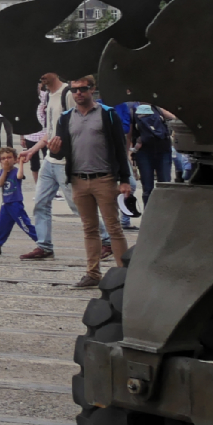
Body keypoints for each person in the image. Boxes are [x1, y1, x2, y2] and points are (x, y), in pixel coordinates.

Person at [53, 75, 131, 289]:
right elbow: (61, 154)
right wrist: (54, 151)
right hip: (79, 180)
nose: (78, 93)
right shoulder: (66, 117)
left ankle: (123, 275)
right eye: (74, 90)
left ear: (92, 90)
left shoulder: (107, 114)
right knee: (89, 228)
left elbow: (119, 148)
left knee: (114, 227)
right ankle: (92, 273)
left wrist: (124, 179)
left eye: (83, 89)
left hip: (104, 179)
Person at [16, 73, 72, 261]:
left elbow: (78, 125)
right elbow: (50, 132)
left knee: (78, 205)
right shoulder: (48, 96)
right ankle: (44, 246)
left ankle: (105, 240)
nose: (41, 78)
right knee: (40, 202)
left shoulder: (68, 94)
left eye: (44, 75)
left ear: (55, 73)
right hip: (50, 159)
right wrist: (32, 151)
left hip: (65, 161)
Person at [0, 147, 38, 255]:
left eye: (9, 157)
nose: (6, 160)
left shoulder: (16, 171)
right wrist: (4, 171)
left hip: (15, 203)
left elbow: (20, 176)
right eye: (3, 158)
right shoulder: (1, 172)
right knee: (1, 225)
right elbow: (0, 183)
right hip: (5, 204)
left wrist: (21, 163)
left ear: (15, 159)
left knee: (25, 224)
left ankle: (42, 242)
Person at [131, 103, 175, 203]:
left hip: (149, 152)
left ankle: (152, 213)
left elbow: (129, 133)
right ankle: (159, 213)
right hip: (156, 151)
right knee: (161, 185)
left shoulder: (155, 108)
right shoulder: (156, 108)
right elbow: (174, 117)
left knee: (151, 187)